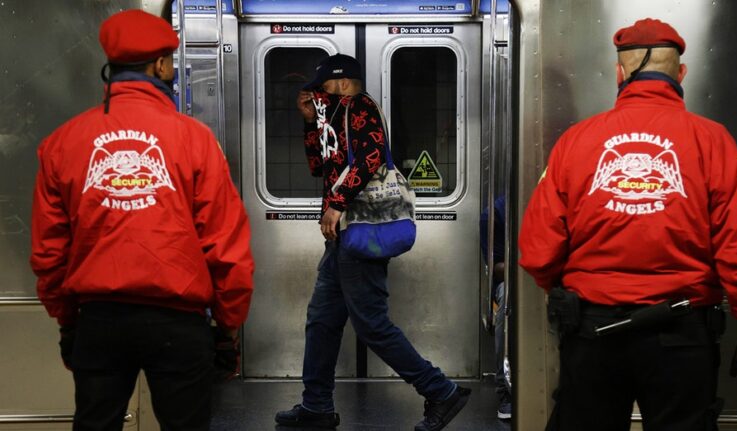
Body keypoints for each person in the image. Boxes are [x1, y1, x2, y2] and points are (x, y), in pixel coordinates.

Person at [518, 18, 737, 431]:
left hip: (592, 333)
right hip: (682, 337)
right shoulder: (713, 141)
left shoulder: (576, 142)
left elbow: (537, 248)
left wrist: (578, 296)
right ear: (681, 73)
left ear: (619, 72)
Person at [29, 10, 254, 431]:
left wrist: (67, 320)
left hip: (99, 319)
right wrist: (227, 326)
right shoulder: (196, 139)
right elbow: (226, 244)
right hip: (179, 322)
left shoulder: (63, 142)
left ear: (111, 68)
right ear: (161, 66)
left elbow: (48, 249)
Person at [274, 53, 470, 431]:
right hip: (341, 238)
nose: (319, 94)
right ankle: (316, 406)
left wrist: (335, 204)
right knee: (322, 321)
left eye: (323, 87)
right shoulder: (333, 116)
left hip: (360, 231)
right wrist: (310, 123)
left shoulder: (360, 107)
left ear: (343, 82)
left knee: (371, 324)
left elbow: (372, 157)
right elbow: (320, 165)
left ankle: (441, 391)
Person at [479, 196, 512, 420]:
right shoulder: (495, 213)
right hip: (512, 276)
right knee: (508, 297)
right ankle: (506, 390)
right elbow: (497, 267)